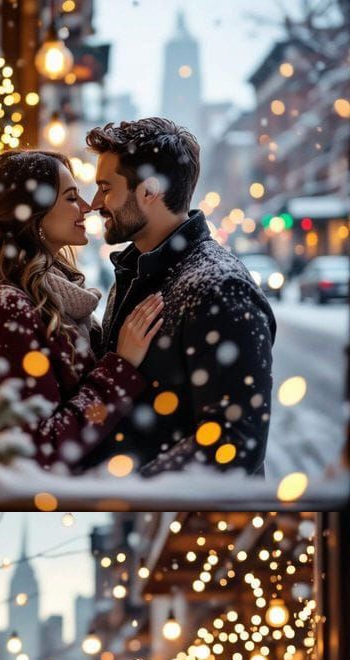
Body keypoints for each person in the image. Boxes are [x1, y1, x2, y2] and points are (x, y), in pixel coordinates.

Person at [0, 149, 166, 472]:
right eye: (71, 198)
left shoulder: (50, 295)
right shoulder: (4, 307)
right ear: (31, 214)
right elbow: (37, 450)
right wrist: (120, 368)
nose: (86, 207)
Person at [83, 118, 276, 475]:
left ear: (148, 191)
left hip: (181, 510)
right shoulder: (134, 271)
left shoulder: (219, 287)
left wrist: (131, 488)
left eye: (105, 188)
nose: (95, 203)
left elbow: (235, 441)